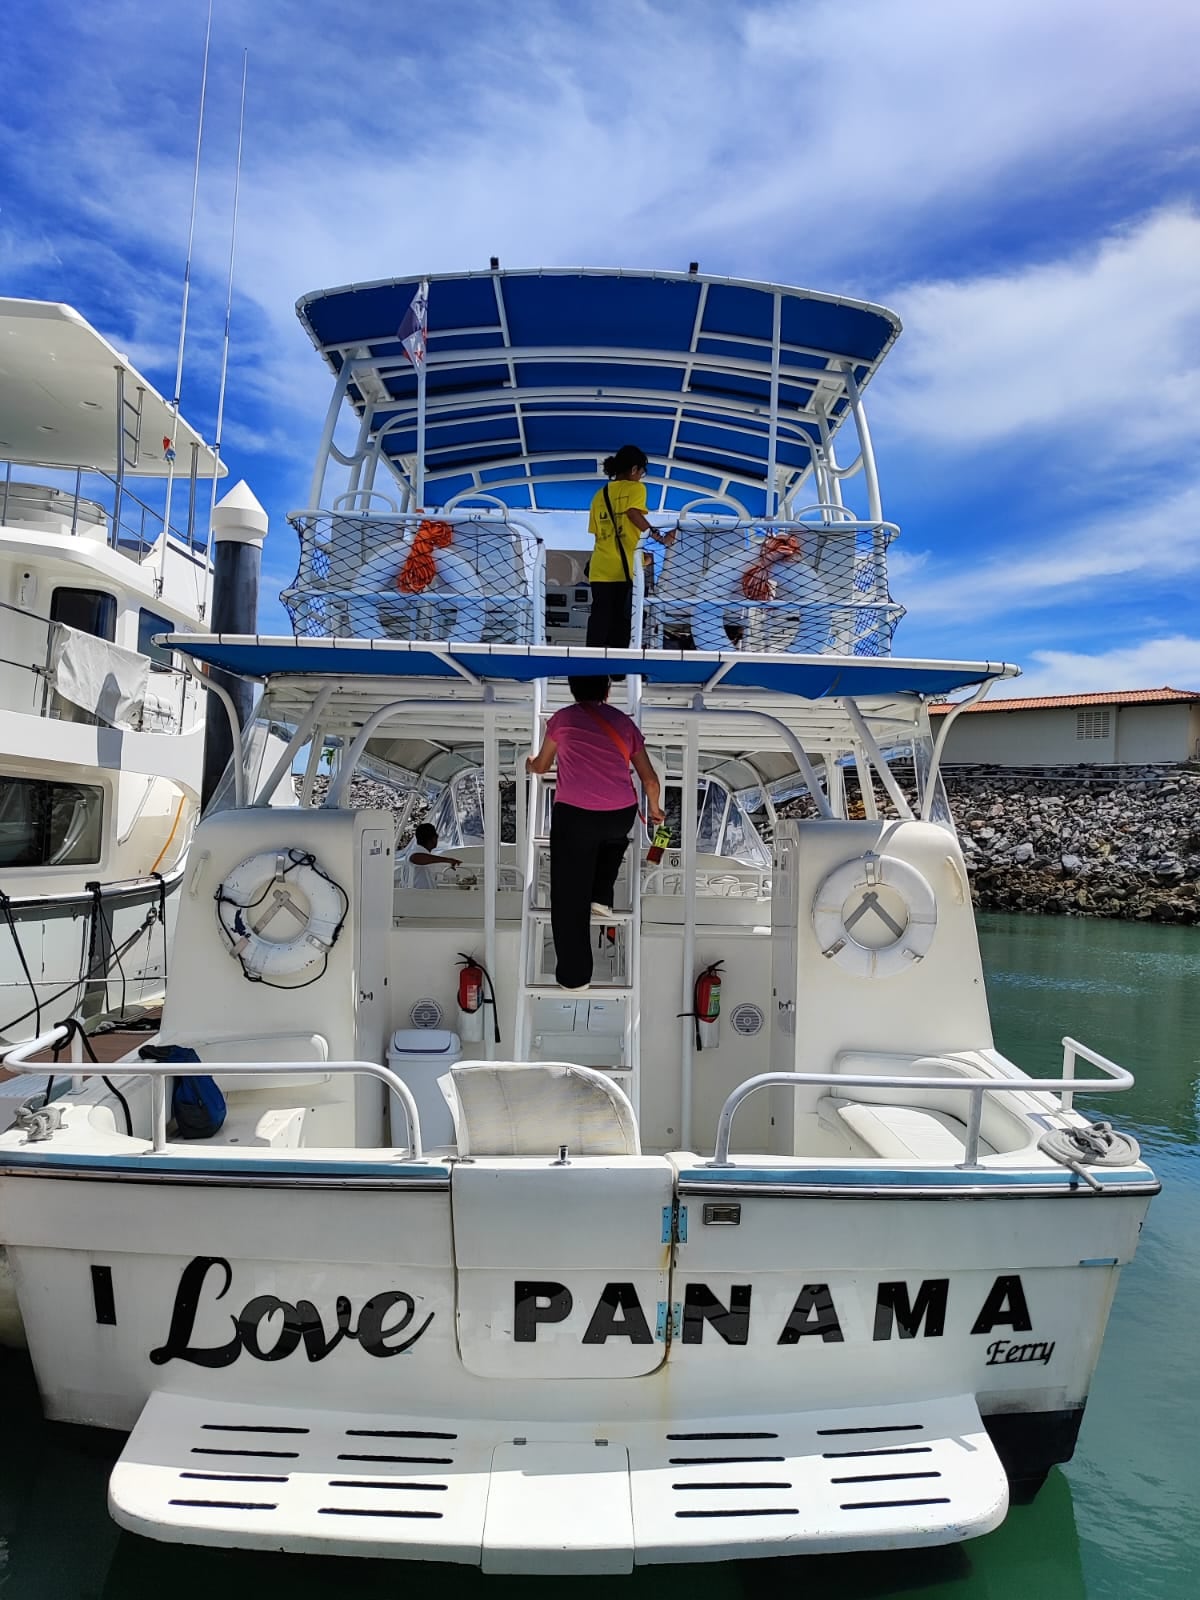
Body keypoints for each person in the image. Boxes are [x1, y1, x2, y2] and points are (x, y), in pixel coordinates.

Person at [526, 675, 664, 990]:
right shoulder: (624, 724)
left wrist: (530, 764)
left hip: (574, 816)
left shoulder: (562, 719)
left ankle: (575, 977)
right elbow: (651, 781)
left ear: (573, 690)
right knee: (613, 840)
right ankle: (602, 893)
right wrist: (654, 809)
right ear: (608, 690)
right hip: (619, 814)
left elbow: (544, 765)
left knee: (569, 894)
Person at [586, 445, 676, 648]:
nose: (641, 478)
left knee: (599, 621)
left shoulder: (600, 494)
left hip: (600, 568)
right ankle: (617, 671)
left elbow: (599, 534)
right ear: (635, 469)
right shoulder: (636, 488)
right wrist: (659, 537)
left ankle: (590, 673)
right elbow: (633, 513)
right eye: (641, 473)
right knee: (624, 621)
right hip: (625, 568)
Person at [399, 822, 460, 889]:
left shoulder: (416, 851)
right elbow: (415, 858)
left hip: (422, 895)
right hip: (418, 896)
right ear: (433, 838)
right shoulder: (416, 852)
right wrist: (448, 860)